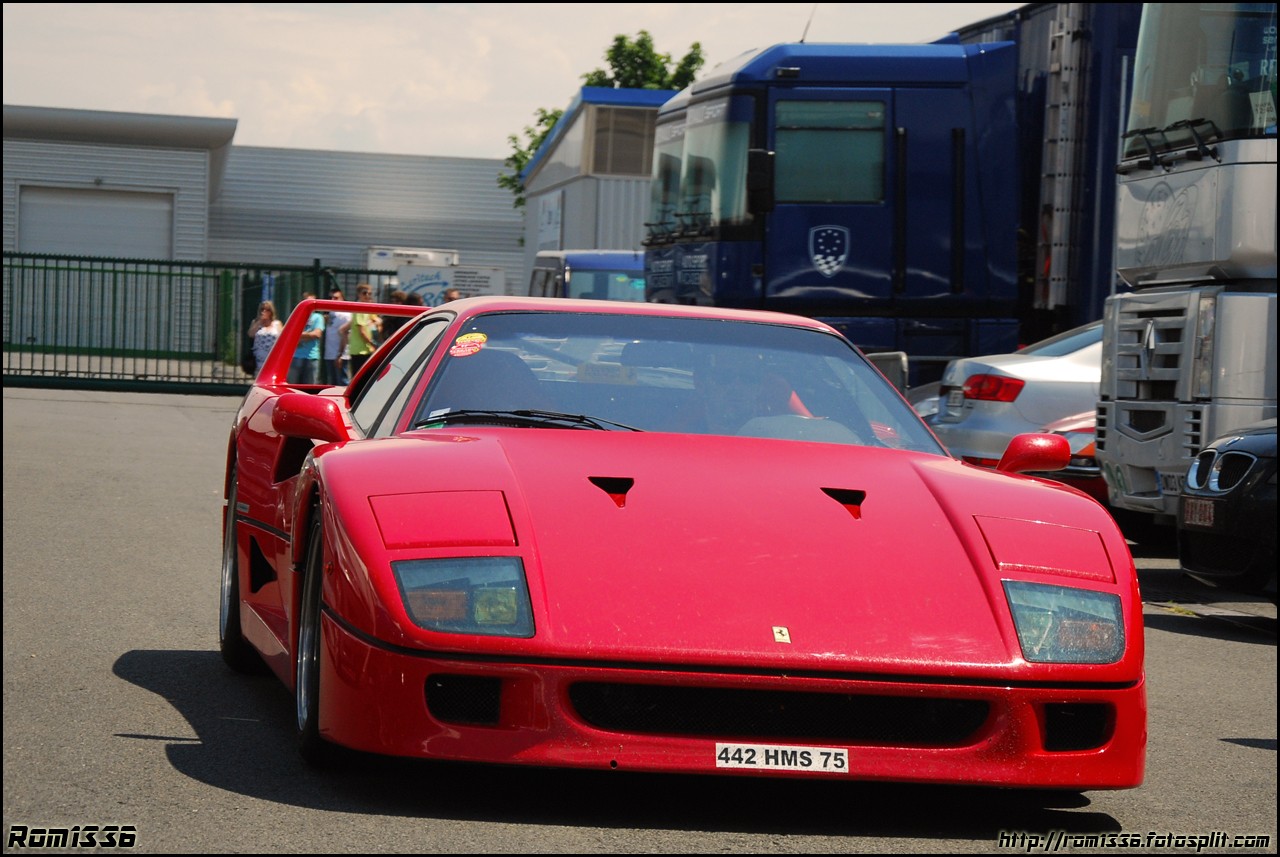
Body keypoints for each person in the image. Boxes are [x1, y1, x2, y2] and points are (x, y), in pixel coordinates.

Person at [340, 283, 381, 376]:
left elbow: (377, 321)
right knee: (360, 380)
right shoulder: (359, 308)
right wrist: (374, 344)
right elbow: (362, 331)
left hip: (367, 349)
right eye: (364, 293)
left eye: (370, 294)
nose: (367, 296)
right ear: (359, 294)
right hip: (359, 351)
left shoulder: (368, 308)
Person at [287, 292, 324, 384]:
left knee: (310, 386)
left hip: (311, 357)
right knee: (293, 386)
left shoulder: (318, 317)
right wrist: (307, 335)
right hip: (296, 356)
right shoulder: (297, 316)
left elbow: (317, 334)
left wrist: (299, 335)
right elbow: (290, 333)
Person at [324, 288, 351, 385]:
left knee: (342, 383)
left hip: (340, 355)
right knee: (332, 384)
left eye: (336, 298)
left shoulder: (345, 314)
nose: (332, 300)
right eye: (330, 297)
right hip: (329, 354)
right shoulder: (331, 312)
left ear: (342, 299)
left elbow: (345, 335)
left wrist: (340, 355)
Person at [247, 300, 283, 373]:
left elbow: (282, 338)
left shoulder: (277, 323)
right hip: (259, 359)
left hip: (273, 358)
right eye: (262, 309)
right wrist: (260, 321)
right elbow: (251, 334)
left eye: (267, 310)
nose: (264, 311)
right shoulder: (256, 322)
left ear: (271, 312)